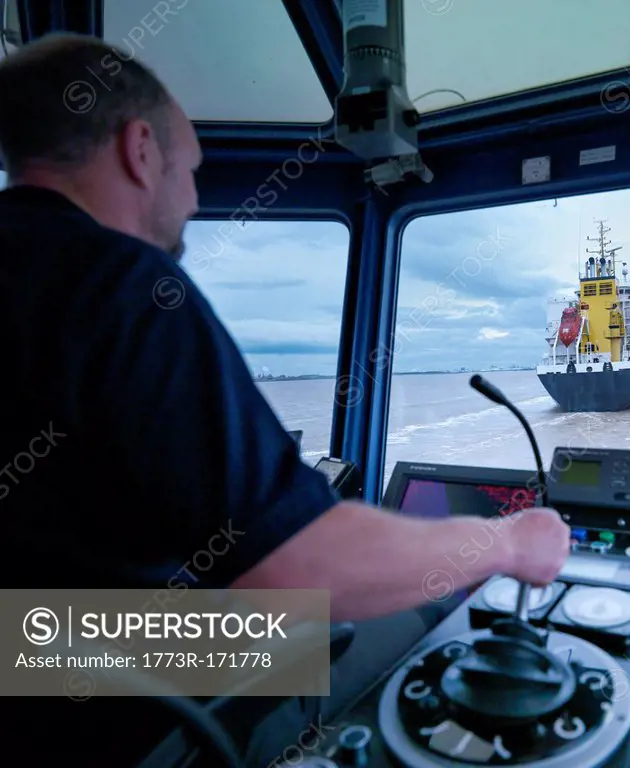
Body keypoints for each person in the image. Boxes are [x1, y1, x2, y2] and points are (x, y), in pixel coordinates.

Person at [0, 33, 569, 764]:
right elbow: (300, 571)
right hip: (78, 687)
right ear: (141, 151)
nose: (196, 201)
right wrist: (510, 542)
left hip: (37, 646)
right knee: (417, 616)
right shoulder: (118, 284)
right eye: (193, 171)